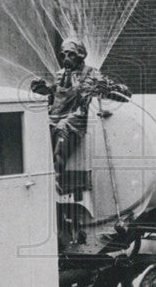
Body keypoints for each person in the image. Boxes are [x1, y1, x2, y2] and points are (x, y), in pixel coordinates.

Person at [30, 37, 130, 193]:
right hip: (56, 115)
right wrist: (42, 89)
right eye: (63, 55)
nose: (66, 59)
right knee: (40, 129)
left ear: (80, 55)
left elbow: (119, 90)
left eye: (71, 55)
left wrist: (110, 88)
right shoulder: (59, 75)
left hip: (78, 117)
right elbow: (54, 97)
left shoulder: (91, 73)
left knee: (62, 129)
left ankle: (56, 177)